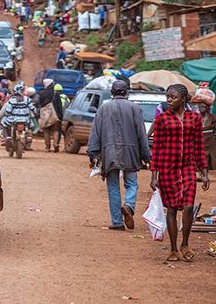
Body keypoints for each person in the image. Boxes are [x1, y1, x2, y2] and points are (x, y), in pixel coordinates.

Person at [150, 84, 210, 261]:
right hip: (168, 169)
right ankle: (174, 248)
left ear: (183, 99)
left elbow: (199, 146)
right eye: (167, 96)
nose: (169, 100)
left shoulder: (194, 119)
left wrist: (204, 172)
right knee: (171, 210)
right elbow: (157, 149)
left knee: (189, 206)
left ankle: (185, 243)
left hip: (189, 168)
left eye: (173, 97)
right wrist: (154, 176)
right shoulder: (162, 119)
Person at [87, 80, 151, 231]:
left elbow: (95, 132)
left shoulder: (104, 108)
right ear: (126, 92)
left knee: (113, 186)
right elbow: (141, 133)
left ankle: (117, 222)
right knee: (132, 184)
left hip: (109, 153)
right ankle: (129, 205)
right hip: (131, 152)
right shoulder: (135, 108)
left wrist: (92, 154)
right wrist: (146, 155)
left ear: (112, 92)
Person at [37, 78, 66, 152]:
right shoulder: (55, 94)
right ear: (50, 85)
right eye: (52, 84)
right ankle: (56, 145)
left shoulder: (41, 93)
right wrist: (60, 116)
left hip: (45, 115)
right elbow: (59, 106)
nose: (53, 85)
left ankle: (47, 147)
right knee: (56, 130)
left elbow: (39, 104)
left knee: (46, 131)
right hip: (55, 115)